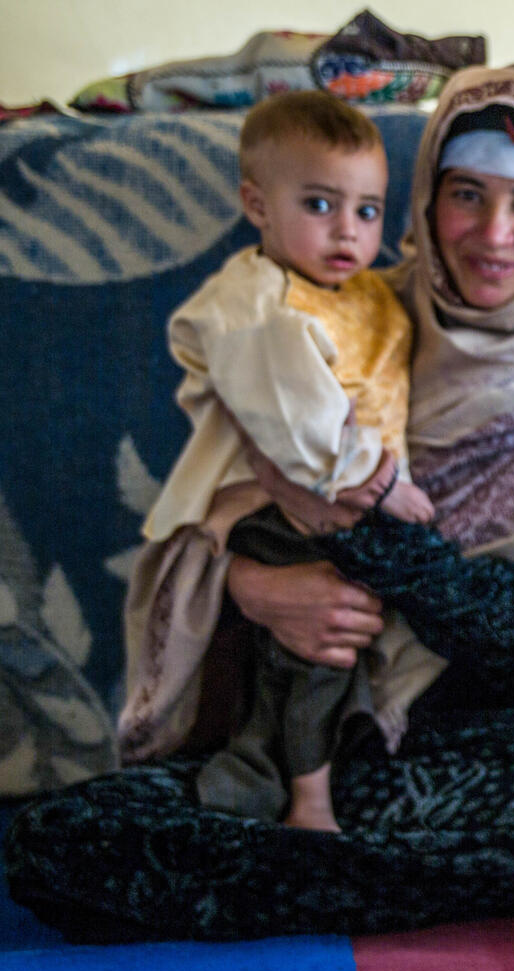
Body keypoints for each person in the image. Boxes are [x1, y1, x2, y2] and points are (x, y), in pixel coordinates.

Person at [3, 66, 514, 941]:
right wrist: (250, 585)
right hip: (287, 725)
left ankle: (335, 868)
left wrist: (356, 522)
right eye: (467, 194)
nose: (493, 235)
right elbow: (214, 496)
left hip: (471, 759)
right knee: (58, 843)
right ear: (428, 196)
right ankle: (483, 881)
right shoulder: (349, 314)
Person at [147, 90, 435, 833]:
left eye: (369, 211)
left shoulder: (361, 289)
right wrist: (382, 482)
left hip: (335, 507)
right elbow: (296, 421)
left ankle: (253, 772)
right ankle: (311, 800)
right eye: (319, 204)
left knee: (314, 648)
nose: (348, 230)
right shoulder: (259, 305)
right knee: (322, 647)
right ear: (257, 205)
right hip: (277, 505)